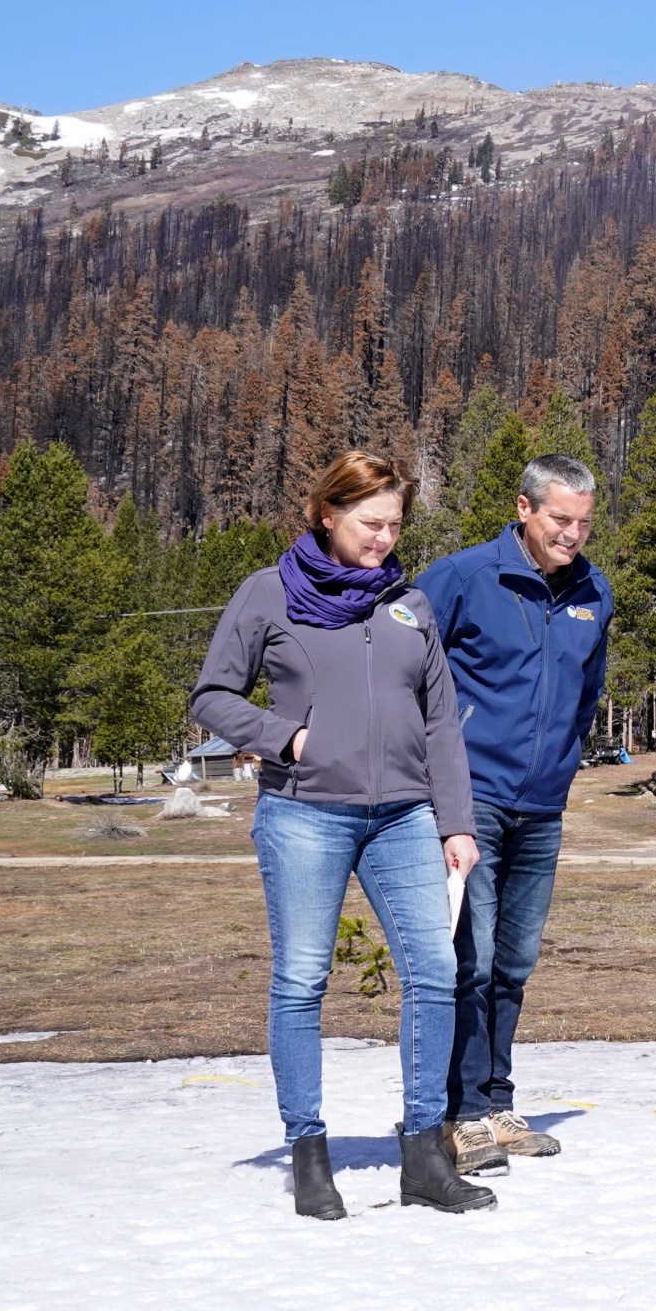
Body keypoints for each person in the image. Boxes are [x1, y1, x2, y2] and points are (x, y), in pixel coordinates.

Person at [191, 451, 492, 1220]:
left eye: (395, 525)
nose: (385, 538)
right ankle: (308, 1154)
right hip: (303, 814)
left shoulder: (409, 606)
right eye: (370, 523)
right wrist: (282, 735)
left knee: (433, 970)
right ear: (328, 513)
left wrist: (455, 821)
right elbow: (213, 696)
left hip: (403, 817)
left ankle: (424, 1154)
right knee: (300, 981)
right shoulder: (268, 594)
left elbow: (439, 725)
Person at [416, 454, 614, 1175]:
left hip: (543, 806)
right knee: (471, 959)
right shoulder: (465, 577)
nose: (574, 535)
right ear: (525, 510)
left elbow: (586, 694)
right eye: (561, 519)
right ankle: (459, 1114)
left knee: (515, 964)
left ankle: (498, 1102)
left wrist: (565, 760)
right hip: (471, 801)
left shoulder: (595, 592)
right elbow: (406, 665)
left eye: (586, 522)